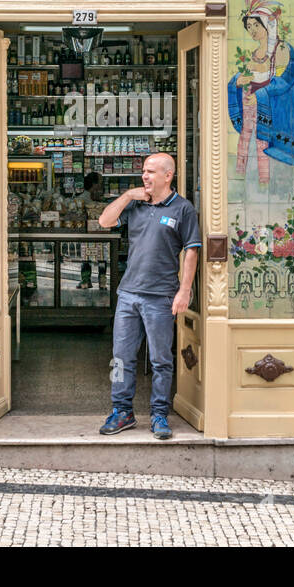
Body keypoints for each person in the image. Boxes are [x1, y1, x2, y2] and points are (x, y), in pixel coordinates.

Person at [96, 152, 201, 440]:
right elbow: (104, 221)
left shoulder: (183, 209)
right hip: (128, 295)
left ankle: (159, 414)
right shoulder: (136, 206)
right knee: (121, 358)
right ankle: (122, 411)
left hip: (160, 297)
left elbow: (191, 251)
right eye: (144, 171)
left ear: (169, 175)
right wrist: (129, 195)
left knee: (160, 360)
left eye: (152, 172)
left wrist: (185, 290)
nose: (145, 176)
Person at [228, 0, 294, 186]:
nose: (252, 30)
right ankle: (240, 181)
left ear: (267, 25)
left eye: (255, 25)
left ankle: (265, 183)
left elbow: (286, 79)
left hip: (266, 107)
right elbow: (248, 76)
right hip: (249, 105)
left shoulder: (281, 49)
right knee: (245, 142)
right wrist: (237, 81)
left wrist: (261, 94)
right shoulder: (254, 52)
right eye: (249, 26)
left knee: (263, 145)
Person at [77, 172, 108, 290]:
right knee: (99, 256)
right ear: (94, 184)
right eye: (100, 183)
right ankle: (100, 281)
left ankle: (87, 281)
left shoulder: (93, 197)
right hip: (92, 233)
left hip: (94, 233)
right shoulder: (83, 199)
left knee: (88, 256)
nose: (101, 185)